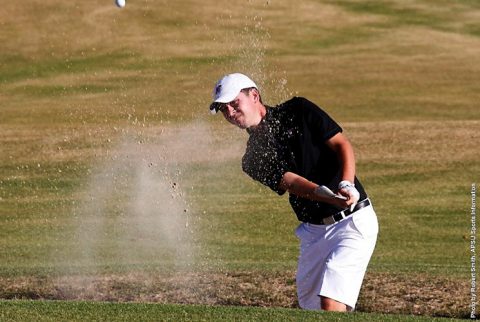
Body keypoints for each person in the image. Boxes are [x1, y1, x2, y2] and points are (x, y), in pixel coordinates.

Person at [209, 73, 378, 312]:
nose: (230, 111)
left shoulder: (299, 110)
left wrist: (347, 184)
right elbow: (292, 182)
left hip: (351, 222)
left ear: (254, 96)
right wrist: (325, 195)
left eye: (234, 103)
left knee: (330, 302)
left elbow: (342, 144)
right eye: (223, 109)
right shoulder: (252, 159)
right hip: (313, 233)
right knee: (311, 309)